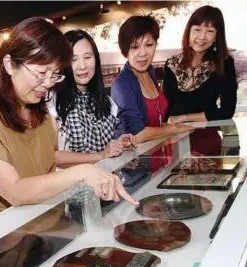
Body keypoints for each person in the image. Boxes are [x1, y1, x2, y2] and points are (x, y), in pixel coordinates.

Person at [0, 17, 139, 230]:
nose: (47, 84)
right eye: (41, 73)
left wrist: (97, 160)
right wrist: (81, 171)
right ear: (9, 65)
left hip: (50, 223)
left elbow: (48, 155)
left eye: (55, 75)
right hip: (6, 239)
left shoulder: (39, 108)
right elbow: (15, 191)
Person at [46, 29, 137, 168]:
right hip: (68, 186)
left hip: (104, 182)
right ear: (62, 63)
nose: (82, 66)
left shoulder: (108, 103)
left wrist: (120, 143)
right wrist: (100, 155)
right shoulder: (51, 101)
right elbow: (51, 156)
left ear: (96, 59)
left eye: (88, 57)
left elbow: (111, 146)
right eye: (73, 60)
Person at [111, 15, 195, 143]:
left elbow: (157, 121)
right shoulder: (122, 84)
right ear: (124, 51)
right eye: (135, 47)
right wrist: (174, 129)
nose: (143, 53)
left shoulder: (150, 72)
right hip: (138, 160)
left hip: (159, 151)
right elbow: (138, 133)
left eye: (149, 45)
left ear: (156, 45)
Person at [163, 5, 237, 124]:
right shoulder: (172, 64)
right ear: (189, 31)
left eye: (210, 31)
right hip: (175, 135)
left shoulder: (224, 63)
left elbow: (227, 111)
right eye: (197, 29)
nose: (202, 37)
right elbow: (165, 108)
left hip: (208, 133)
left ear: (216, 37)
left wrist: (185, 118)